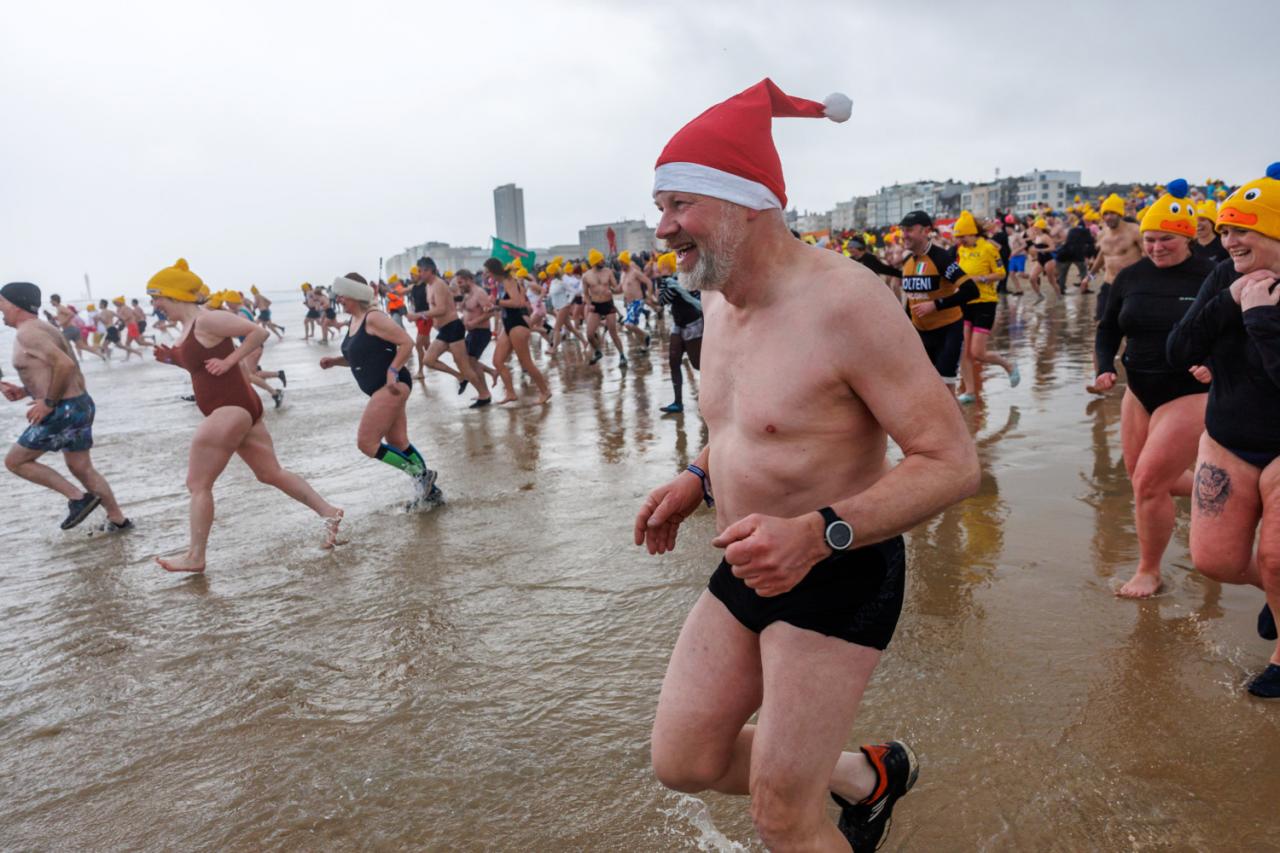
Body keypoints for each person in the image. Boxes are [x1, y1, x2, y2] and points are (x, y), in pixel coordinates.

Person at [637, 80, 978, 850]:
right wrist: (695, 478)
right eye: (661, 206)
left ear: (744, 202)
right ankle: (867, 776)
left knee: (781, 814)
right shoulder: (720, 303)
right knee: (683, 759)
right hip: (750, 563)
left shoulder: (847, 305)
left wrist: (817, 533)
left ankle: (834, 788)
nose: (662, 228)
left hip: (838, 568)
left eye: (679, 204)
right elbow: (744, 430)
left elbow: (952, 461)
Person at [148, 259, 343, 572]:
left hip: (229, 407)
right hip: (239, 406)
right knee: (270, 473)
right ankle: (329, 512)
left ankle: (195, 556)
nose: (154, 305)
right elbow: (202, 365)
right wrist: (173, 359)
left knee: (198, 483)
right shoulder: (189, 328)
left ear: (173, 295)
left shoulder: (207, 320)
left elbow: (257, 332)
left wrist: (231, 361)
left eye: (156, 298)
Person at [1167, 163, 1280, 698]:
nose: (1228, 241)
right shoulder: (1224, 276)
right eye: (1226, 228)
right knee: (1217, 560)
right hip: (1229, 434)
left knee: (1277, 556)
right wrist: (1231, 301)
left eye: (1243, 230)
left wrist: (1261, 319)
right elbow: (1179, 351)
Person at [1092, 181, 1214, 599]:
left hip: (1189, 391)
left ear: (1186, 237)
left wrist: (1214, 364)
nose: (1157, 247)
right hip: (1138, 389)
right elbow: (1108, 329)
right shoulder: (1129, 276)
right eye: (1150, 240)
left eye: (1166, 239)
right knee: (1142, 479)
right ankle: (1216, 485)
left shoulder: (1211, 275)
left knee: (1147, 482)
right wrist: (1105, 366)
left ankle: (1149, 571)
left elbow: (1237, 331)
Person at [1, 281, 132, 532]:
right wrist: (26, 390)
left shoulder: (28, 333)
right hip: (79, 403)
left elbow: (65, 365)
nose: (0, 308)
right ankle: (118, 520)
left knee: (16, 461)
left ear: (16, 304)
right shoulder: (45, 328)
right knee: (81, 467)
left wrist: (49, 403)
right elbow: (63, 366)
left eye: (2, 302)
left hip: (63, 407)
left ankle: (77, 499)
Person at [319, 274, 441, 503]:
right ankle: (431, 494)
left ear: (354, 295)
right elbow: (361, 356)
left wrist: (393, 370)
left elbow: (406, 342)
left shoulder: (373, 317)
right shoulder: (354, 321)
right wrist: (336, 361)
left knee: (366, 444)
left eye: (342, 296)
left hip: (391, 386)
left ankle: (421, 476)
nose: (338, 300)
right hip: (382, 388)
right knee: (398, 441)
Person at [899, 210, 978, 390]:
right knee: (923, 388)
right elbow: (911, 299)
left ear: (926, 231)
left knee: (945, 389)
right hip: (921, 333)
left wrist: (936, 304)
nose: (904, 235)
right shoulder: (908, 262)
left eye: (909, 230)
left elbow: (971, 291)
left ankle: (963, 417)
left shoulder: (941, 257)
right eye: (903, 230)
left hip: (947, 331)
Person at [953, 211, 1019, 404]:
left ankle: (1008, 365)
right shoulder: (961, 250)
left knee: (977, 353)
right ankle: (970, 392)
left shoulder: (988, 248)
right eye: (958, 237)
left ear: (973, 233)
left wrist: (980, 278)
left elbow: (1001, 273)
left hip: (985, 303)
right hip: (965, 302)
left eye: (962, 236)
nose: (960, 241)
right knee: (963, 350)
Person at [417, 258, 491, 407]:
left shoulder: (438, 284)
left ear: (430, 270)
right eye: (419, 271)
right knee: (428, 360)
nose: (420, 274)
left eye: (422, 270)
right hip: (444, 329)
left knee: (465, 365)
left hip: (452, 327)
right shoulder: (428, 286)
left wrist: (420, 315)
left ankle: (484, 395)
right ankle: (460, 377)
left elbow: (441, 309)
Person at [484, 258, 552, 405]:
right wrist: (494, 307)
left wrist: (496, 301)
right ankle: (510, 393)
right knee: (497, 361)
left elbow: (517, 303)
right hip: (509, 324)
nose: (488, 276)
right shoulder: (504, 282)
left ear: (494, 270)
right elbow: (510, 303)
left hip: (517, 325)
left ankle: (545, 391)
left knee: (526, 362)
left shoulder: (509, 280)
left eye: (488, 272)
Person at [654, 251, 703, 413]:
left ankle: (716, 394)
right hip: (678, 324)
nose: (659, 270)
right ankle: (678, 402)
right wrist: (665, 283)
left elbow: (698, 299)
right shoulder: (667, 282)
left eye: (661, 268)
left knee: (697, 364)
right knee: (673, 361)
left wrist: (677, 287)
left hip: (693, 324)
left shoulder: (687, 277)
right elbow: (662, 301)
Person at [1085, 193, 1144, 323]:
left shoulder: (1134, 231)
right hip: (1109, 284)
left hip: (1131, 286)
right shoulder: (1102, 234)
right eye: (1105, 214)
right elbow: (1102, 256)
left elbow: (1148, 256)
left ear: (1120, 214)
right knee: (1102, 323)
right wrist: (1089, 277)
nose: (1108, 217)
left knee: (1128, 324)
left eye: (1112, 213)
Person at [581, 249, 628, 366]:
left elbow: (616, 288)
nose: (603, 261)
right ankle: (597, 351)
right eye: (600, 260)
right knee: (590, 334)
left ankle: (622, 355)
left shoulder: (608, 271)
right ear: (595, 261)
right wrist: (589, 304)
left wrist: (614, 289)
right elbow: (586, 295)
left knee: (613, 332)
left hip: (608, 304)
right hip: (595, 306)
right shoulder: (586, 276)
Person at [618, 251, 654, 352]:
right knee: (633, 327)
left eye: (622, 263)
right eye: (619, 263)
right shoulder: (622, 275)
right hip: (629, 303)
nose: (621, 265)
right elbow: (620, 289)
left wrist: (650, 295)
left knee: (628, 324)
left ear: (626, 262)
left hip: (637, 301)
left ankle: (646, 335)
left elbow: (648, 282)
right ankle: (644, 346)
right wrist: (610, 290)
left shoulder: (634, 272)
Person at [1191, 199, 1229, 264]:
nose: (1197, 223)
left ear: (1212, 223)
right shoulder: (1189, 247)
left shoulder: (1225, 245)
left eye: (1202, 220)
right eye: (1195, 220)